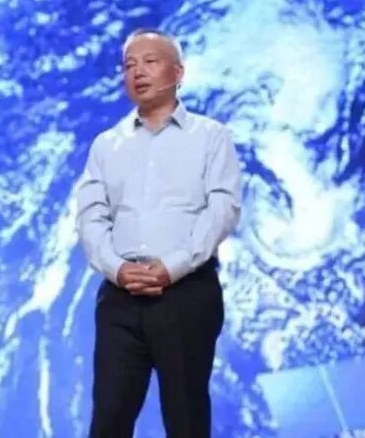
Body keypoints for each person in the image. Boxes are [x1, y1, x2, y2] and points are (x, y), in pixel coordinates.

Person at [74, 27, 243, 438]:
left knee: (186, 419)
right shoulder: (106, 145)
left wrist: (173, 266)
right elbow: (91, 216)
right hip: (120, 297)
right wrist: (116, 268)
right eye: (129, 65)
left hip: (186, 293)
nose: (138, 72)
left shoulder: (211, 137)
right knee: (108, 419)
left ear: (177, 72)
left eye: (149, 62)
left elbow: (223, 209)